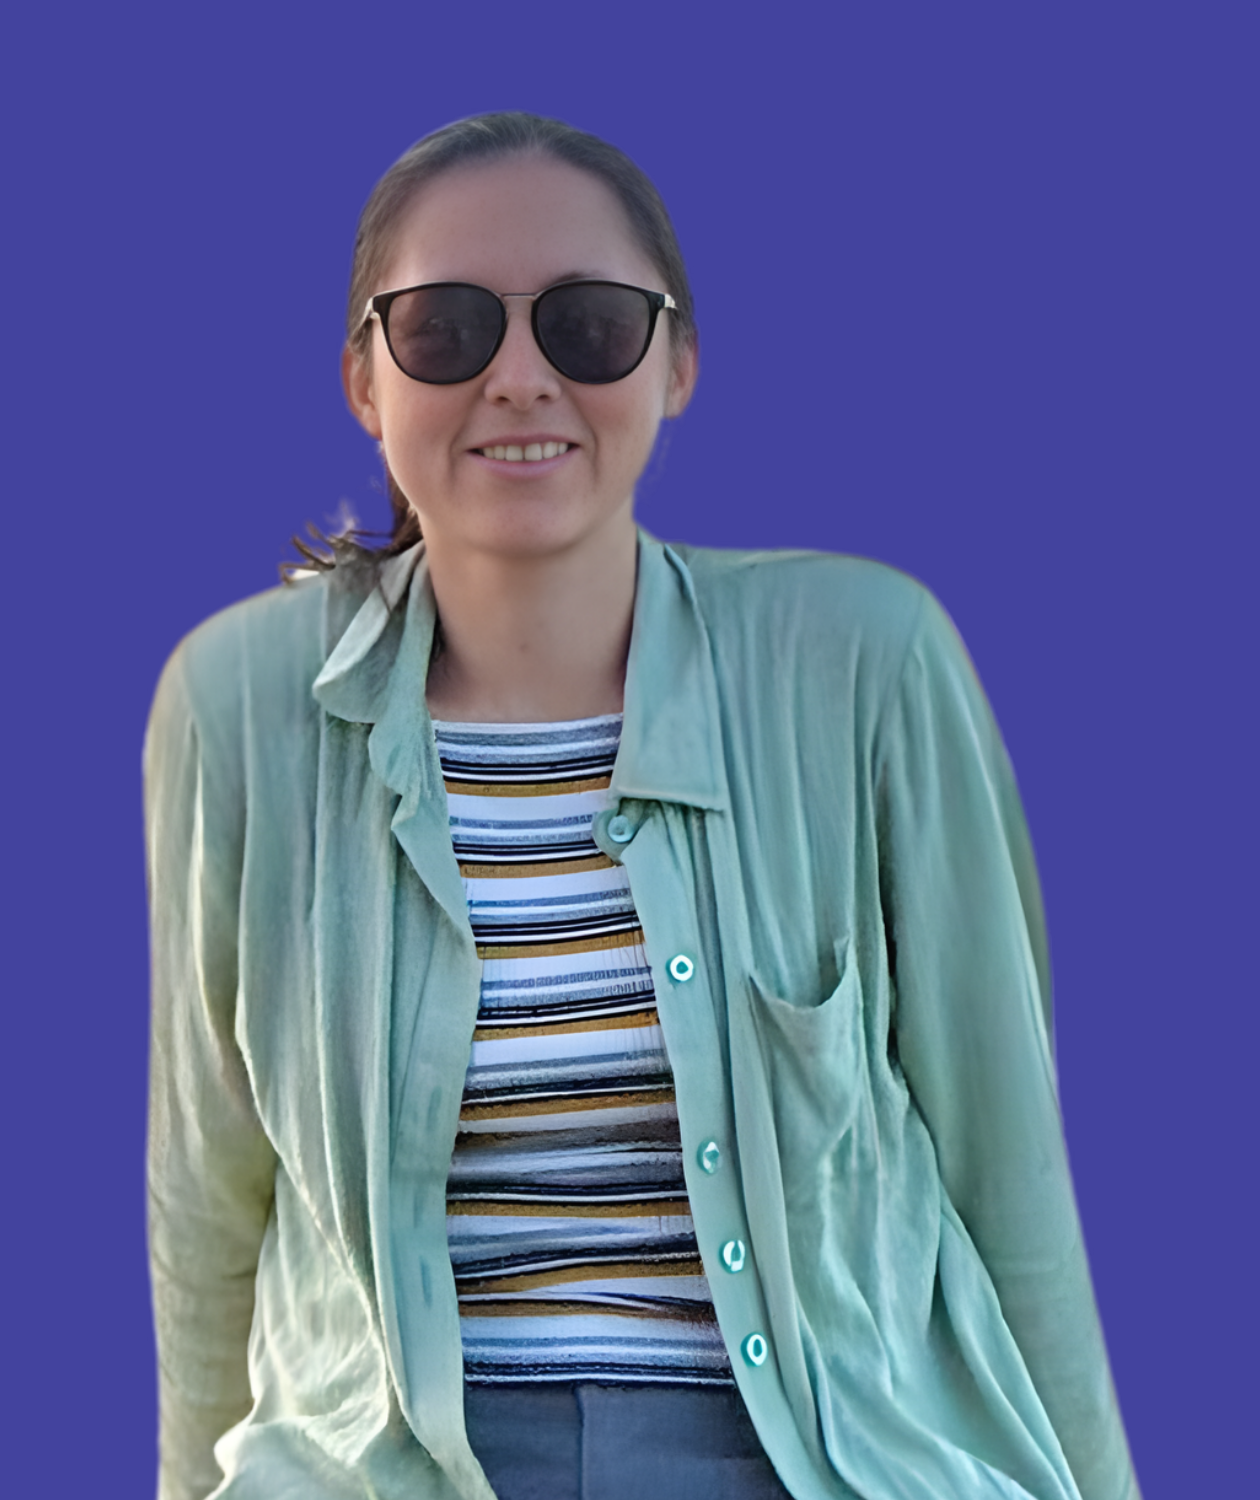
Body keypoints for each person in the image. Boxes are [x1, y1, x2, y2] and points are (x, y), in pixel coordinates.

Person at [143, 112, 1140, 1500]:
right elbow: (209, 1196)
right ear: (366, 380)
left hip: (809, 1458)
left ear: (677, 365)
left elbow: (1004, 1159)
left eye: (589, 326)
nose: (519, 380)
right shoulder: (238, 702)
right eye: (446, 330)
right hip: (387, 1468)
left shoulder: (863, 663)